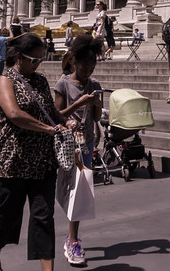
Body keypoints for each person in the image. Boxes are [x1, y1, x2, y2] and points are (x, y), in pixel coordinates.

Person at [0, 33, 72, 271]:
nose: (38, 64)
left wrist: (65, 121)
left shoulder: (40, 80)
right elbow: (14, 114)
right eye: (33, 60)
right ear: (19, 57)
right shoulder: (5, 80)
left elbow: (50, 111)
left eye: (41, 59)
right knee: (9, 214)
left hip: (43, 161)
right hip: (13, 161)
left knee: (44, 216)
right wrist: (48, 129)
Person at [53, 35, 104, 267]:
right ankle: (71, 239)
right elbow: (56, 115)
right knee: (70, 190)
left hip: (86, 143)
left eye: (91, 68)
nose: (87, 72)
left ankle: (72, 239)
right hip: (68, 145)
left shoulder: (94, 85)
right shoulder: (63, 84)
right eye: (84, 67)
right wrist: (78, 104)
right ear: (74, 62)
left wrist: (96, 104)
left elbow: (96, 117)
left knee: (80, 191)